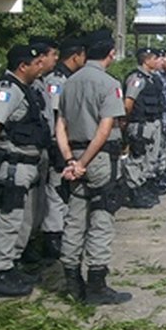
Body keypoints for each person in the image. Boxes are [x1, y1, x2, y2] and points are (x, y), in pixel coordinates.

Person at [56, 30, 132, 304]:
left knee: (75, 219)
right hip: (98, 159)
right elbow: (104, 130)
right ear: (111, 53)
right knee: (101, 218)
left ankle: (72, 283)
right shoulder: (109, 84)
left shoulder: (70, 82)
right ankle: (97, 285)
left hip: (75, 156)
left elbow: (60, 125)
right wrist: (85, 162)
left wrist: (71, 161)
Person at [0, 45, 49, 297]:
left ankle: (11, 264)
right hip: (12, 164)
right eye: (37, 64)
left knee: (23, 219)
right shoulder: (6, 91)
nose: (41, 67)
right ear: (23, 66)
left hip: (26, 164)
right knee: (9, 219)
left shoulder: (26, 90)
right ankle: (0, 272)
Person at [37, 36, 87, 262]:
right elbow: (58, 116)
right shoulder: (57, 80)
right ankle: (52, 237)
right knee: (56, 191)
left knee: (63, 190)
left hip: (65, 140)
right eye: (52, 55)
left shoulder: (70, 78)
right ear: (76, 56)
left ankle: (59, 233)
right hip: (57, 141)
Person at [122, 47, 165, 209]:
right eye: (155, 58)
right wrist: (125, 123)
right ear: (146, 60)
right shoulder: (137, 78)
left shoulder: (152, 78)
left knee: (150, 157)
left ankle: (144, 186)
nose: (157, 61)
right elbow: (128, 103)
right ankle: (134, 191)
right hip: (140, 124)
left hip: (152, 122)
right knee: (137, 157)